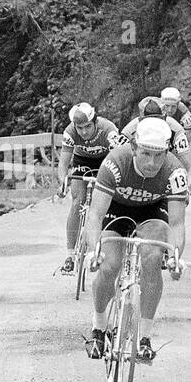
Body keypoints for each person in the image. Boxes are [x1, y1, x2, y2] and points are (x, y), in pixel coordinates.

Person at [82, 118, 187, 364]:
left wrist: (174, 257)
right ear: (133, 148)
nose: (152, 163)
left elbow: (177, 224)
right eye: (146, 154)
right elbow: (95, 214)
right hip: (115, 209)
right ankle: (98, 328)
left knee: (152, 258)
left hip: (153, 211)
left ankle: (145, 338)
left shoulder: (174, 171)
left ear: (167, 153)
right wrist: (93, 250)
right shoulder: (115, 163)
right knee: (110, 264)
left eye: (158, 156)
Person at [56, 102, 120, 275]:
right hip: (82, 161)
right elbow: (63, 164)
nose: (83, 132)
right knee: (77, 201)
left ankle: (103, 245)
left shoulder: (108, 129)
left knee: (109, 201)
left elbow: (120, 159)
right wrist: (63, 182)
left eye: (87, 127)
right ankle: (70, 255)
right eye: (80, 128)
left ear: (95, 121)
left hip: (106, 161)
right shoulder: (70, 132)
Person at [117, 96, 191, 179]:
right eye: (148, 120)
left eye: (158, 120)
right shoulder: (129, 132)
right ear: (140, 120)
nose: (154, 125)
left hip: (168, 172)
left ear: (165, 118)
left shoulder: (176, 130)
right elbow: (117, 162)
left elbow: (189, 168)